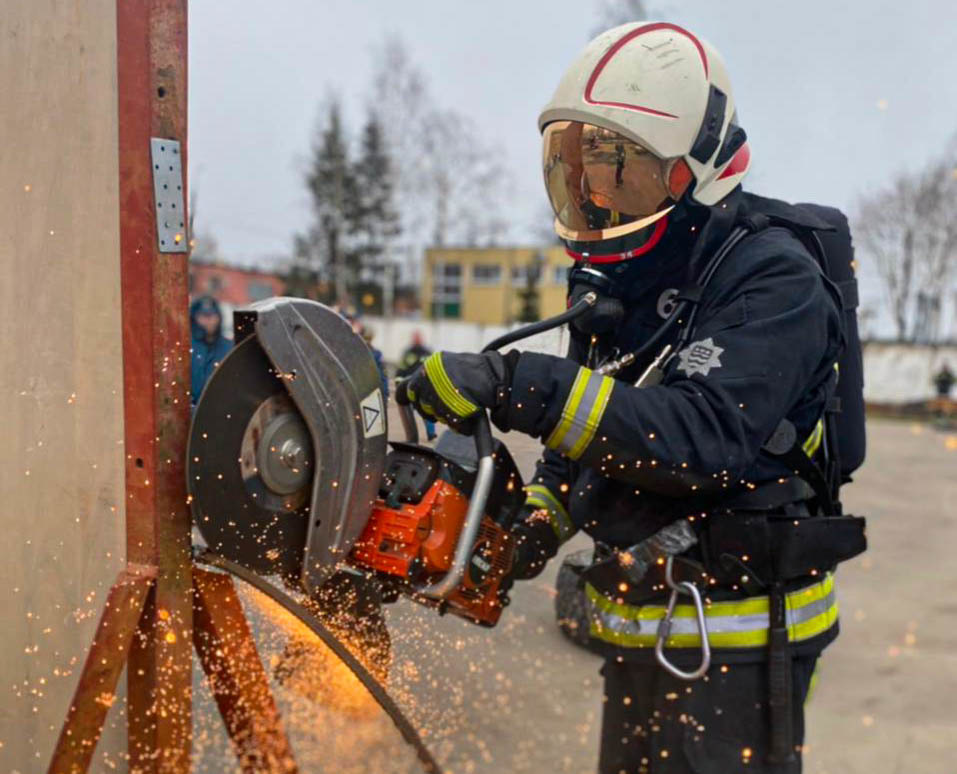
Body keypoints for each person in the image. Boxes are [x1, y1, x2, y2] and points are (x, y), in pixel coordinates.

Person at [398, 22, 863, 773]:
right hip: (644, 628)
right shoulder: (626, 283)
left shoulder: (773, 281)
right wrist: (546, 512)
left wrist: (516, 384)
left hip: (738, 644)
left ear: (693, 172)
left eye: (619, 172)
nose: (596, 197)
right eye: (578, 169)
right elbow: (599, 419)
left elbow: (698, 435)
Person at [190, 295, 232, 405]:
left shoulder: (229, 347)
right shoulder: (185, 347)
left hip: (220, 410)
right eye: (203, 315)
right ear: (194, 317)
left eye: (212, 315)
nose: (209, 320)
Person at [397, 332, 437, 440]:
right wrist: (399, 381)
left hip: (424, 386)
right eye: (415, 338)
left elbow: (433, 368)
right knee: (409, 410)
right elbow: (402, 368)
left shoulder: (427, 352)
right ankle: (412, 435)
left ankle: (431, 434)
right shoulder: (408, 352)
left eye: (418, 338)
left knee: (427, 409)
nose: (417, 340)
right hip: (409, 385)